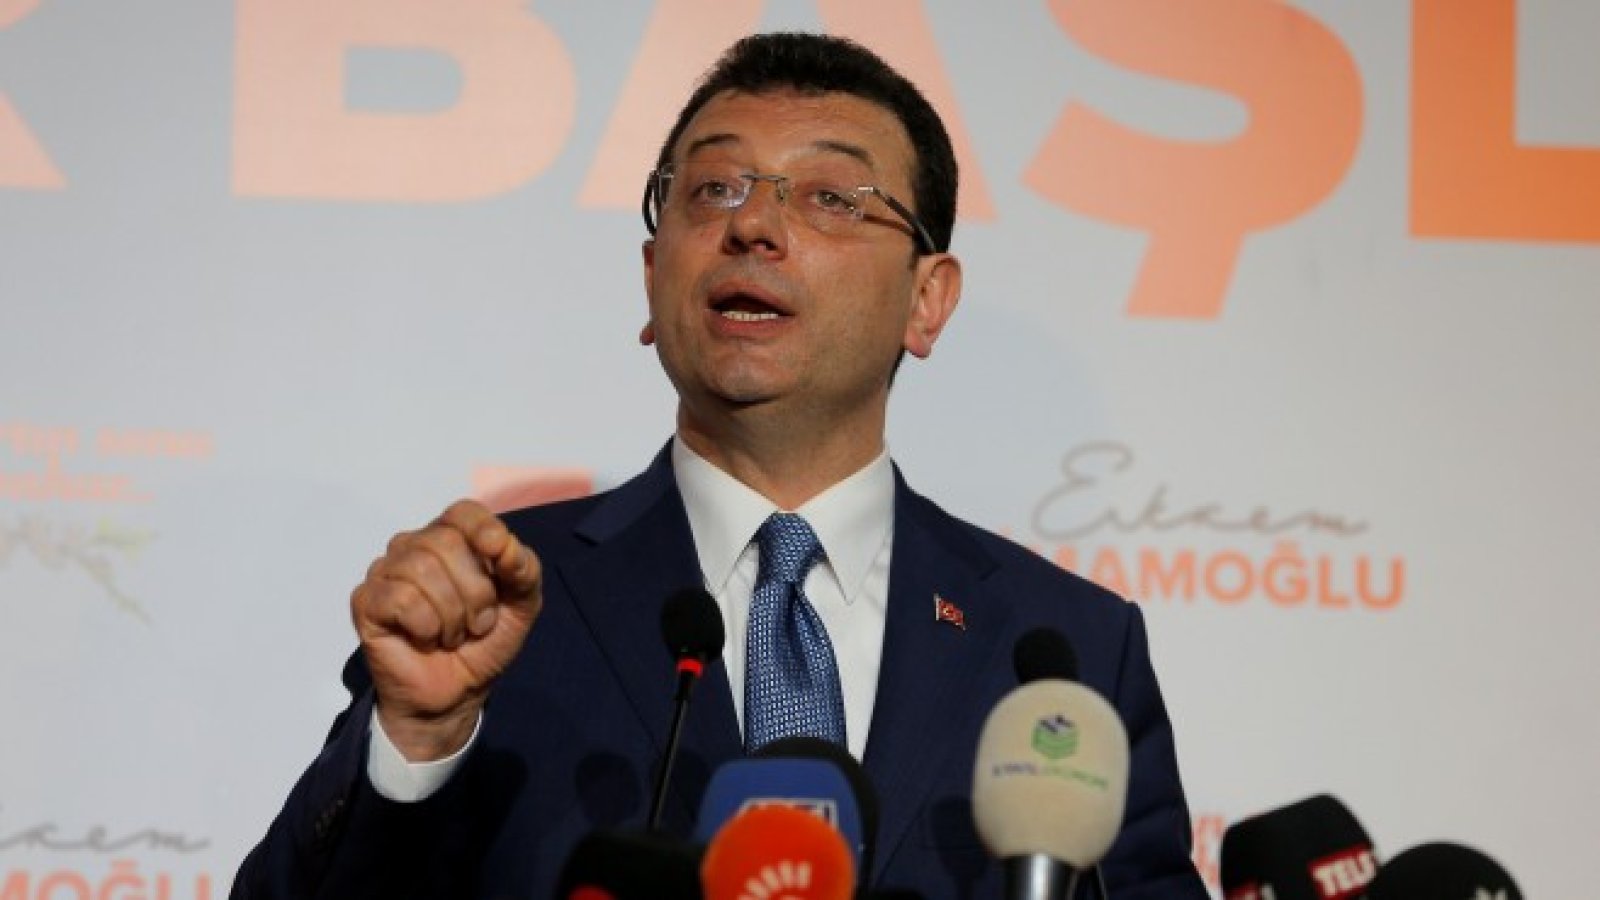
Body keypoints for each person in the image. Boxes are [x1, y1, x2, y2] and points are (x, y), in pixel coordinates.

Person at [231, 32, 1207, 899]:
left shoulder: (1062, 648)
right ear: (652, 277)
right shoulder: (494, 611)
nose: (751, 227)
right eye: (713, 189)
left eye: (830, 197)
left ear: (927, 301)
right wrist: (416, 745)